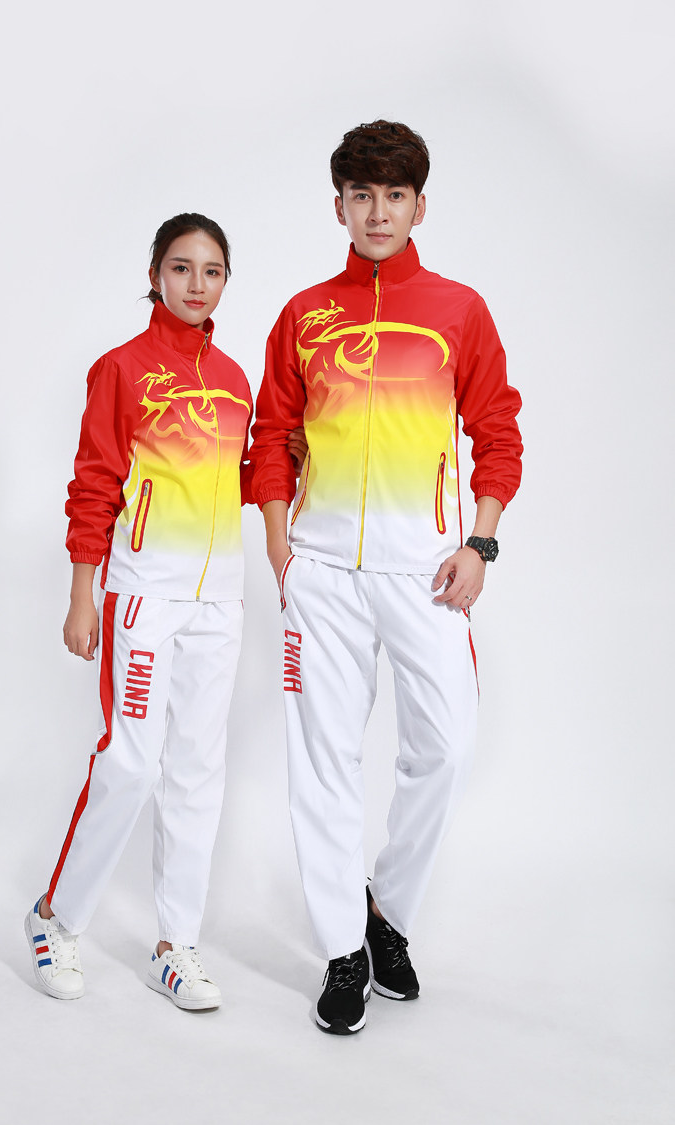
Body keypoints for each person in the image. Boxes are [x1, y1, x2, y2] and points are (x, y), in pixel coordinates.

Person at [249, 120, 523, 1034]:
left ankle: (386, 913)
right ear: (339, 207)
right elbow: (271, 438)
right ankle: (342, 948)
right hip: (322, 572)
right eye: (361, 196)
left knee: (446, 747)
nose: (377, 212)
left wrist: (479, 545)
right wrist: (283, 552)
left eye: (394, 196)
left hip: (427, 571)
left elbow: (498, 431)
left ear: (419, 206)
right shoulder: (303, 315)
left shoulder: (458, 310)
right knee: (322, 759)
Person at [25, 213, 255, 1011]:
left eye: (212, 271)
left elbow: (237, 477)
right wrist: (82, 593)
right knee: (130, 760)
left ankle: (174, 945)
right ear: (155, 274)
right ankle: (56, 917)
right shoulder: (121, 369)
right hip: (144, 597)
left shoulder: (235, 380)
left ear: (226, 282)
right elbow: (95, 481)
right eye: (182, 267)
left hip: (219, 600)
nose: (197, 284)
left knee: (198, 768)